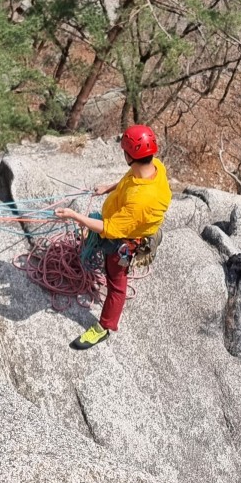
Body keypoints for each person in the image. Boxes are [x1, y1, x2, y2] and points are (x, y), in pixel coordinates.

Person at [54, 124, 172, 351]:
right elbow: (130, 179)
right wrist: (109, 188)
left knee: (117, 283)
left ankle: (104, 327)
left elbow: (108, 228)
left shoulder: (141, 200)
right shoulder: (154, 166)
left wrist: (74, 216)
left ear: (129, 155)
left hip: (123, 241)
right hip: (124, 223)